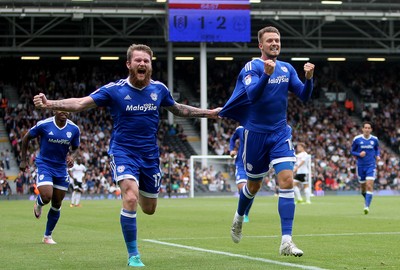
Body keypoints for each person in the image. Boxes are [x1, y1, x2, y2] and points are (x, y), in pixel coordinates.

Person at [33, 44, 221, 267]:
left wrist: (208, 113)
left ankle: (137, 197)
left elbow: (179, 109)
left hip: (150, 156)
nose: (142, 64)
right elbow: (81, 103)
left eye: (146, 61)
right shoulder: (115, 90)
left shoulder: (159, 89)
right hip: (123, 152)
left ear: (151, 64)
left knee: (149, 209)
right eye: (138, 60)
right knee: (130, 197)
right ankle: (133, 255)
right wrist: (50, 103)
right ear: (129, 64)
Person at [219, 26, 315, 257]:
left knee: (287, 181)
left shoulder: (287, 68)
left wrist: (309, 79)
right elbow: (252, 95)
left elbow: (304, 96)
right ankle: (239, 217)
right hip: (255, 136)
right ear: (260, 45)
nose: (275, 43)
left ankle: (286, 240)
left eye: (278, 40)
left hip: (280, 134)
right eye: (270, 40)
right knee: (253, 187)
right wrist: (267, 75)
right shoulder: (251, 67)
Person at [19, 111, 80, 244]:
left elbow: (76, 148)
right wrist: (23, 160)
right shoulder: (44, 124)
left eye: (67, 110)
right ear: (54, 111)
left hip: (61, 168)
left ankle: (47, 236)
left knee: (57, 203)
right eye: (60, 109)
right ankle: (39, 203)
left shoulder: (74, 128)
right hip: (45, 164)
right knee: (47, 196)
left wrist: (72, 157)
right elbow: (26, 138)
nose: (64, 112)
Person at [351, 121, 380, 215]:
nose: (367, 129)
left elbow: (377, 149)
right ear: (363, 129)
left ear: (371, 129)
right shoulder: (357, 139)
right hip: (360, 166)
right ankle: (367, 198)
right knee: (363, 188)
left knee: (369, 185)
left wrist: (378, 155)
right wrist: (359, 154)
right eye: (365, 128)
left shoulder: (375, 139)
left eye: (369, 128)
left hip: (371, 165)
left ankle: (366, 206)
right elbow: (352, 151)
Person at [229, 125, 253, 223]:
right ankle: (241, 213)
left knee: (251, 191)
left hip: (254, 165)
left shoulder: (261, 129)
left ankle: (245, 214)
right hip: (241, 164)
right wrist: (231, 149)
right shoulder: (240, 129)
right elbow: (233, 138)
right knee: (243, 189)